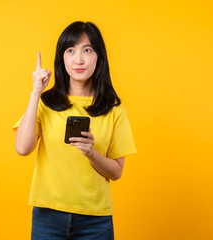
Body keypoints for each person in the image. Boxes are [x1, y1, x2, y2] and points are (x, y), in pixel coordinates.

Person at [13, 21, 137, 240]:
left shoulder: (113, 109)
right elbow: (22, 148)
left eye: (87, 50)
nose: (78, 59)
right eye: (70, 50)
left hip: (95, 221)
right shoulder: (46, 102)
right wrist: (35, 94)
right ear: (62, 57)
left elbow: (116, 172)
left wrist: (92, 152)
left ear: (99, 57)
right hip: (48, 216)